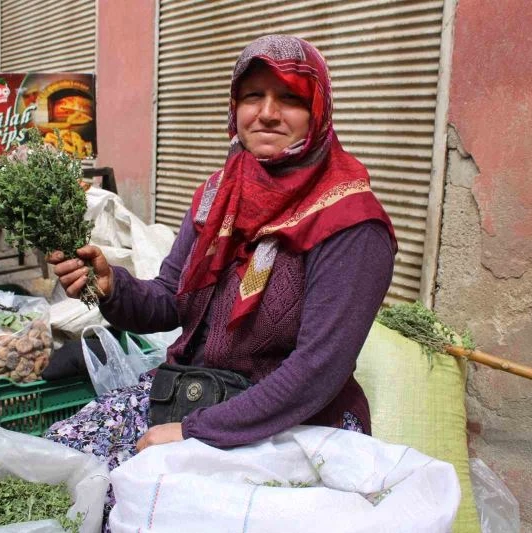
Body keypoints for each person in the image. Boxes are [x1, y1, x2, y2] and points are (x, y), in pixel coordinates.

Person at [45, 34, 396, 523]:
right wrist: (112, 287)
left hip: (296, 419)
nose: (267, 113)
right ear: (235, 106)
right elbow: (171, 300)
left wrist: (194, 433)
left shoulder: (351, 223)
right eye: (253, 96)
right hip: (197, 388)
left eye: (291, 98)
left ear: (317, 110)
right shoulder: (218, 193)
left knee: (129, 501)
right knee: (58, 464)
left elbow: (318, 369)